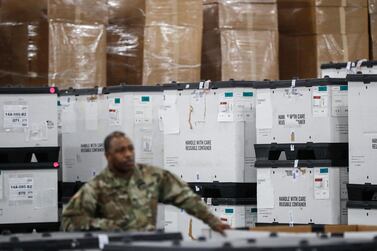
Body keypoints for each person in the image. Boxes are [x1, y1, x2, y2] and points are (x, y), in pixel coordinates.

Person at [62, 131, 230, 234]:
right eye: (120, 151)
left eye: (130, 148)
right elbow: (69, 220)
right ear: (108, 156)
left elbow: (186, 197)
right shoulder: (96, 187)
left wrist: (214, 222)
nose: (128, 154)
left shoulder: (152, 177)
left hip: (146, 244)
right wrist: (104, 226)